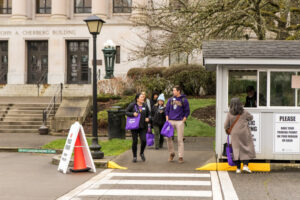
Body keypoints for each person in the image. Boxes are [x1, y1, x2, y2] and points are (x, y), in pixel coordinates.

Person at [224, 98, 256, 174]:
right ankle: (245, 165)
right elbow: (251, 117)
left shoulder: (229, 113)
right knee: (247, 147)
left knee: (236, 149)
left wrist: (228, 130)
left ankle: (238, 168)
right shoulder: (244, 112)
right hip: (244, 133)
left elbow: (226, 125)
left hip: (234, 134)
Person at [165, 85, 190, 164]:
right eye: (173, 90)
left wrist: (184, 119)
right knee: (168, 138)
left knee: (180, 140)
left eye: (174, 90)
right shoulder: (170, 99)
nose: (173, 92)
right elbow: (167, 110)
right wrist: (167, 120)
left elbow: (187, 111)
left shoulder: (184, 100)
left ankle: (180, 156)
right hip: (170, 121)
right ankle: (171, 153)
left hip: (179, 121)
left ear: (178, 91)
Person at [126, 93, 150, 163]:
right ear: (137, 99)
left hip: (143, 127)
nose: (143, 98)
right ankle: (134, 156)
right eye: (141, 97)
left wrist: (148, 118)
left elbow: (149, 114)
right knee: (135, 141)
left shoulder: (145, 105)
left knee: (144, 141)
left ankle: (141, 153)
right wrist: (132, 114)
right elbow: (126, 112)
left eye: (143, 97)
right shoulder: (132, 105)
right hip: (134, 127)